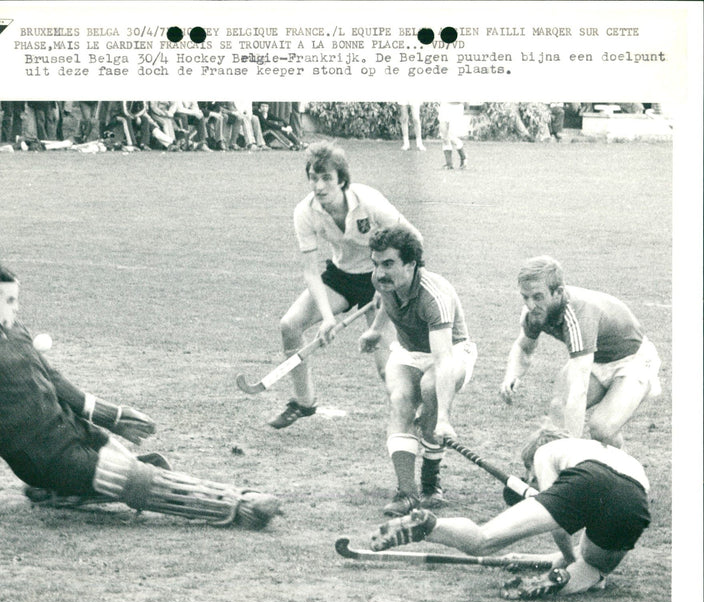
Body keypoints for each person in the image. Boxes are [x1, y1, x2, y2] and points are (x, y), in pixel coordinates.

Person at [0, 262, 280, 529]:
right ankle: (239, 504)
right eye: (8, 300)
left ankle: (62, 493)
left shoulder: (13, 330)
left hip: (75, 432)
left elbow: (54, 380)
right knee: (139, 481)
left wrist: (111, 417)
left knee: (139, 468)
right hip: (43, 457)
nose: (17, 308)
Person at [370, 427, 651, 600]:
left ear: (530, 460)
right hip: (635, 498)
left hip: (589, 478)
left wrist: (567, 557)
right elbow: (580, 546)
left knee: (484, 538)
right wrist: (562, 563)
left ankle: (431, 526)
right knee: (593, 568)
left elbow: (560, 527)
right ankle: (561, 581)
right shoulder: (597, 449)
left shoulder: (546, 453)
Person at [269, 142, 421, 429]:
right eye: (313, 178)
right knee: (290, 325)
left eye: (326, 178)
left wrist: (390, 286)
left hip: (381, 277)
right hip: (341, 276)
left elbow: (414, 240)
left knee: (385, 366)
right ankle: (304, 402)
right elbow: (312, 272)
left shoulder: (369, 201)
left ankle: (412, 417)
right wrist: (327, 318)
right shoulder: (305, 211)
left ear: (341, 179)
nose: (319, 186)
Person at [359, 227, 477, 515]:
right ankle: (407, 493)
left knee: (429, 389)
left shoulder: (433, 296)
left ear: (411, 264)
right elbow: (387, 300)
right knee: (401, 400)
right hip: (409, 352)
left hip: (451, 352)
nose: (380, 272)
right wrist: (376, 330)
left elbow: (443, 358)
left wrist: (445, 418)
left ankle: (430, 478)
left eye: (388, 263)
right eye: (376, 263)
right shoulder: (384, 280)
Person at [499, 256, 662, 449]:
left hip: (633, 360)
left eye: (538, 296)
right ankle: (558, 471)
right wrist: (511, 374)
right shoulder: (534, 313)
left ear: (558, 292)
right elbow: (524, 348)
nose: (530, 305)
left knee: (602, 428)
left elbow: (578, 391)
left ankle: (622, 474)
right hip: (595, 356)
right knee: (558, 407)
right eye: (525, 297)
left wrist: (571, 451)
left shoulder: (577, 315)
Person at [438, 102, 467, 169]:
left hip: (457, 107)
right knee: (444, 134)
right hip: (445, 105)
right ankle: (449, 164)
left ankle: (463, 157)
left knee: (451, 135)